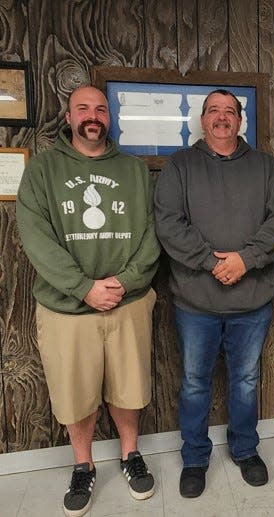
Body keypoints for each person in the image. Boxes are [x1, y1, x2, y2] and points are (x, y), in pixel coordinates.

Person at [16, 86, 160, 517]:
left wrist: (125, 281)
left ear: (109, 117)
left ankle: (129, 455)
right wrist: (84, 288)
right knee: (75, 393)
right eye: (83, 108)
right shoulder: (42, 170)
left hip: (128, 301)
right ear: (69, 115)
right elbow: (36, 239)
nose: (92, 115)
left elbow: (154, 235)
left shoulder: (135, 171)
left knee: (128, 387)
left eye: (100, 108)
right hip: (67, 309)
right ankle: (83, 464)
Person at [154, 89, 274, 498]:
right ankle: (195, 458)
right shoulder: (180, 166)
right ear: (202, 119)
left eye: (229, 111)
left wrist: (245, 260)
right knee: (195, 383)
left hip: (251, 302)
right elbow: (168, 225)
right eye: (214, 110)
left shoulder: (267, 168)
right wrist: (212, 262)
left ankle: (245, 449)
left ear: (240, 120)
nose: (221, 117)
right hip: (196, 303)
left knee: (246, 380)